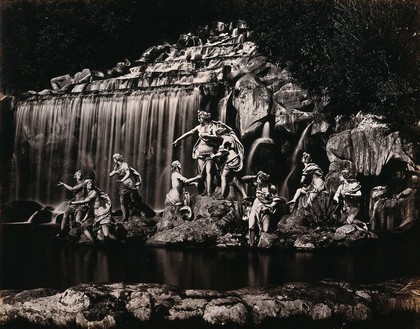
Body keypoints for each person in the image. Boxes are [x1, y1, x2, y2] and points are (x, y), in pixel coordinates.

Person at [173, 111, 220, 196]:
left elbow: (217, 136)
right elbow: (189, 133)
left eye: (200, 118)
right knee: (202, 173)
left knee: (209, 171)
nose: (198, 120)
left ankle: (209, 191)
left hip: (210, 152)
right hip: (200, 152)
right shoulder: (199, 127)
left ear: (204, 118)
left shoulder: (212, 126)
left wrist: (207, 136)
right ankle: (205, 189)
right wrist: (178, 140)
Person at [242, 171, 281, 246]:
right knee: (251, 226)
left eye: (258, 180)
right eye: (257, 180)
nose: (257, 181)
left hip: (266, 208)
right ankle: (251, 244)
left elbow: (276, 199)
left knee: (265, 230)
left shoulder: (271, 187)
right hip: (256, 206)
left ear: (263, 180)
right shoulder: (257, 185)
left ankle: (261, 244)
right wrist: (255, 176)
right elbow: (244, 179)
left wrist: (270, 206)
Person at [109, 153, 144, 221]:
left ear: (116, 159)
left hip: (129, 183)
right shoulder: (117, 166)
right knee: (122, 200)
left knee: (133, 199)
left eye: (114, 159)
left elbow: (128, 174)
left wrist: (122, 180)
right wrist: (113, 173)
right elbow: (112, 173)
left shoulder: (125, 165)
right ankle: (125, 217)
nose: (113, 160)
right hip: (122, 185)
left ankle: (140, 211)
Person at [55, 170, 88, 238]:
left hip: (81, 203)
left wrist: (63, 184)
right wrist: (72, 200)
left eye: (81, 173)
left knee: (77, 220)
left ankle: (83, 232)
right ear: (75, 176)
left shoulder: (84, 182)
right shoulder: (77, 183)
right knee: (65, 213)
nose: (80, 174)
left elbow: (72, 189)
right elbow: (77, 194)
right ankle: (62, 232)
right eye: (78, 173)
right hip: (74, 203)